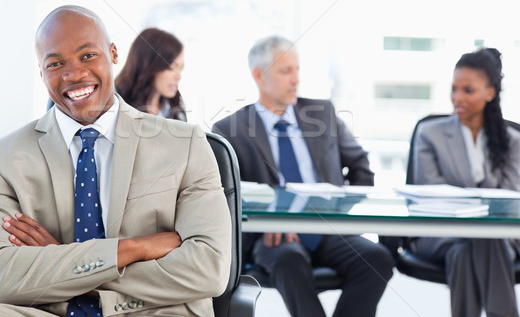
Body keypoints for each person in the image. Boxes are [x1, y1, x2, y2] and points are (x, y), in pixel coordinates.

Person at [0, 5, 231, 317]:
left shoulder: (185, 144)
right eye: (56, 63)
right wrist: (133, 249)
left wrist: (59, 262)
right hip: (46, 311)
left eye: (87, 56)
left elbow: (209, 269)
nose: (74, 74)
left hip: (153, 311)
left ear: (113, 53)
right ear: (41, 73)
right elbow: (1, 279)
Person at [212, 35, 394, 317]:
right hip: (274, 237)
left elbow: (360, 168)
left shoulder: (323, 114)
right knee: (288, 260)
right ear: (259, 75)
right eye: (286, 71)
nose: (296, 79)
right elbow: (225, 199)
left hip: (329, 228)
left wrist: (339, 215)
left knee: (377, 258)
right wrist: (263, 224)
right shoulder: (230, 129)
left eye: (297, 70)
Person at [411, 47, 520, 317]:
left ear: (490, 93)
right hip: (439, 232)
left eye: (468, 90)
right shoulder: (430, 134)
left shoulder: (512, 141)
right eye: (454, 89)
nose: (457, 98)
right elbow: (433, 194)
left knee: (467, 249)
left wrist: (469, 203)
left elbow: (511, 199)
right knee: (483, 236)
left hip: (499, 235)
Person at [115, 27, 186, 121]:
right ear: (149, 66)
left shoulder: (176, 106)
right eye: (171, 68)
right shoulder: (114, 101)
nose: (178, 76)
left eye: (180, 68)